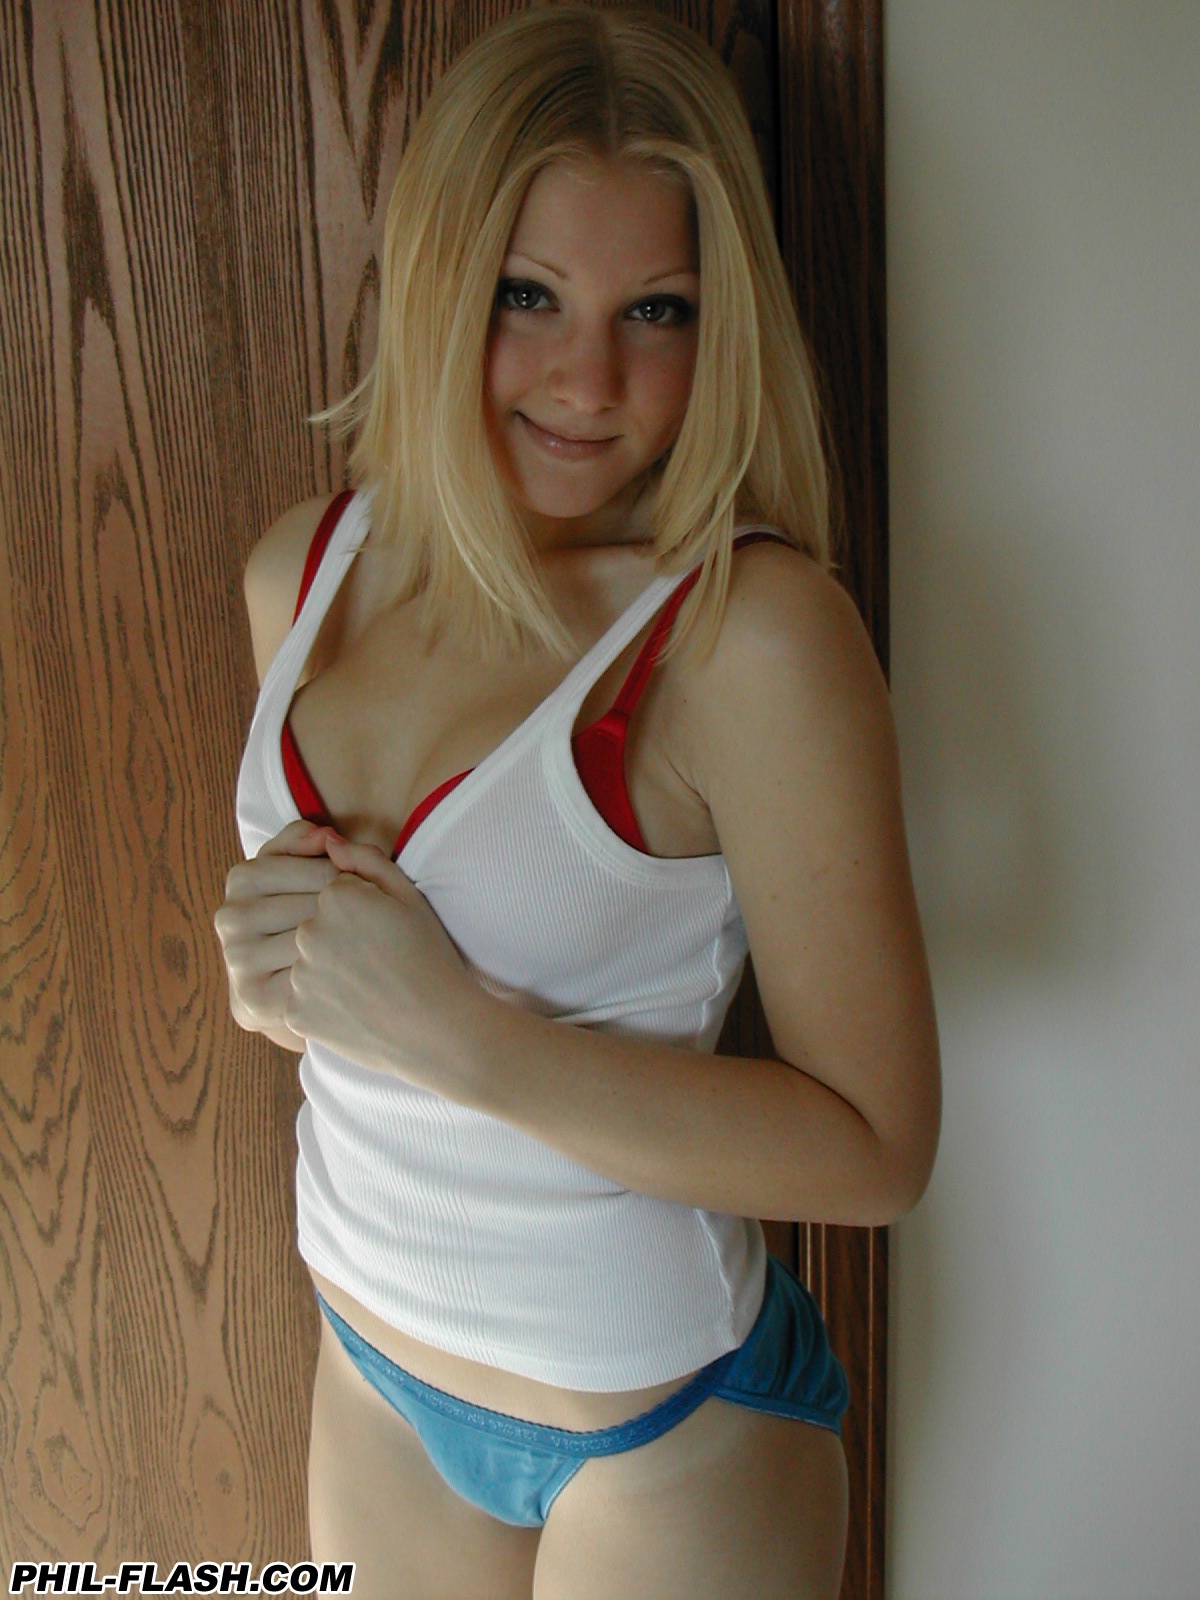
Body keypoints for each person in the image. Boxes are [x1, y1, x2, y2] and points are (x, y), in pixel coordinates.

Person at [214, 7, 940, 1597]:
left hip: (660, 1438)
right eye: (528, 294)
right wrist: (280, 985)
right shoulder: (304, 574)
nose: (589, 381)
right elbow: (340, 993)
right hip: (368, 1365)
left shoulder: (745, 639)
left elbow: (877, 1154)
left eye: (656, 311)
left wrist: (460, 1038)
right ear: (439, 282)